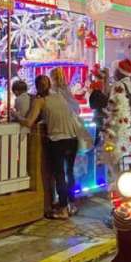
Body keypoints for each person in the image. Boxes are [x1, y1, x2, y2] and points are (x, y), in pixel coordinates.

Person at [21, 75, 81, 219]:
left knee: (59, 175)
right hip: (72, 138)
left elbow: (29, 122)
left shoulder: (40, 101)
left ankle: (63, 208)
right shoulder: (59, 97)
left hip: (58, 140)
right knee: (69, 172)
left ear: (37, 87)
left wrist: (16, 116)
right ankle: (72, 204)